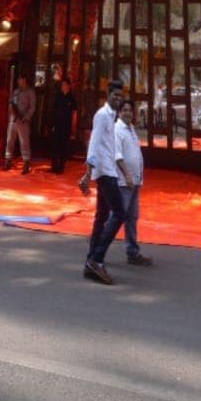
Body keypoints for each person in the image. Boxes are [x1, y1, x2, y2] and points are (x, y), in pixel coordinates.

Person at [79, 79, 126, 284]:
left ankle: (91, 260)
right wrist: (87, 173)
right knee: (120, 213)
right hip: (104, 171)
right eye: (115, 95)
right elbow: (94, 143)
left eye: (120, 96)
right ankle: (97, 258)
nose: (118, 99)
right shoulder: (102, 115)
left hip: (108, 170)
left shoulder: (112, 117)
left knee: (102, 216)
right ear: (108, 95)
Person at [115, 98, 152, 265]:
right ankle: (97, 247)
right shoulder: (117, 130)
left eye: (130, 110)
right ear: (119, 112)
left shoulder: (130, 129)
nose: (127, 113)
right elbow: (117, 156)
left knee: (132, 217)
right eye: (124, 110)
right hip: (124, 182)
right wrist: (127, 175)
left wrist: (136, 177)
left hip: (135, 181)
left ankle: (132, 252)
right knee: (116, 217)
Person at [2, 72, 36, 174]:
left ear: (24, 80)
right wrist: (11, 111)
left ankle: (26, 162)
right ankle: (8, 160)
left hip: (23, 120)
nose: (18, 82)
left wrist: (26, 118)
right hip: (13, 120)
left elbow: (32, 107)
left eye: (20, 80)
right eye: (18, 80)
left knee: (24, 142)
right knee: (10, 140)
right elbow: (11, 103)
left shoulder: (30, 92)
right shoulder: (16, 92)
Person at [50, 74, 78, 174]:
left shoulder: (71, 97)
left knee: (64, 146)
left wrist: (74, 125)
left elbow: (74, 111)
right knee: (55, 145)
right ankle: (54, 166)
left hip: (66, 125)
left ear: (69, 86)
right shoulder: (58, 96)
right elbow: (53, 110)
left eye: (65, 85)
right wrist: (52, 124)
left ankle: (61, 166)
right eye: (62, 85)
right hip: (57, 124)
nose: (63, 86)